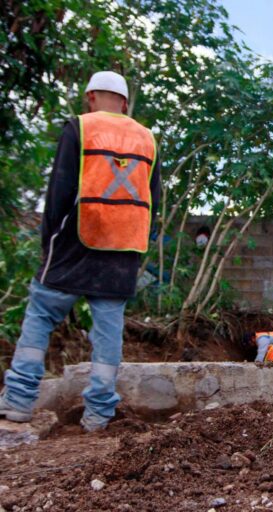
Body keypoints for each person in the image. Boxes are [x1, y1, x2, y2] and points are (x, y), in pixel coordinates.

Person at [0, 71, 161, 432]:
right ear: (124, 102)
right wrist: (137, 245)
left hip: (76, 241)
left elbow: (59, 191)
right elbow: (155, 201)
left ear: (90, 97)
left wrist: (49, 247)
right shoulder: (146, 138)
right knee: (108, 331)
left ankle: (18, 402)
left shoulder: (81, 128)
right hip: (122, 249)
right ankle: (99, 415)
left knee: (41, 314)